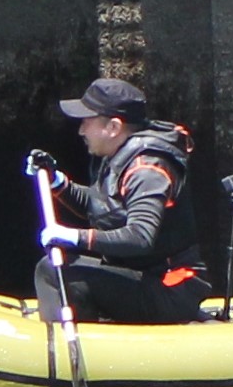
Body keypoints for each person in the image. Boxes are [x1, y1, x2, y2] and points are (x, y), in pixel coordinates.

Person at [36, 76, 213, 323]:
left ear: (113, 127)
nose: (81, 130)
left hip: (169, 290)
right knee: (59, 265)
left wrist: (76, 237)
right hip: (144, 276)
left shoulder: (147, 170)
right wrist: (57, 182)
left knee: (51, 272)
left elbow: (140, 237)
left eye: (87, 122)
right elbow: (103, 208)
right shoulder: (119, 155)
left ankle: (69, 349)